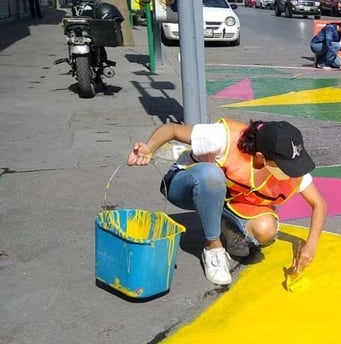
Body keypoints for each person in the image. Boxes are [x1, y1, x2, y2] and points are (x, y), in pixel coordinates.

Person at [127, 119, 328, 286]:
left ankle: (223, 225)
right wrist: (149, 147)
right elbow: (171, 129)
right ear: (261, 157)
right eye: (285, 165)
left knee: (266, 228)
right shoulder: (223, 137)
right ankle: (212, 246)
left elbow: (319, 204)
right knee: (211, 174)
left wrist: (310, 245)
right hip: (186, 186)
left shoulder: (291, 166)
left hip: (229, 200)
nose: (292, 170)